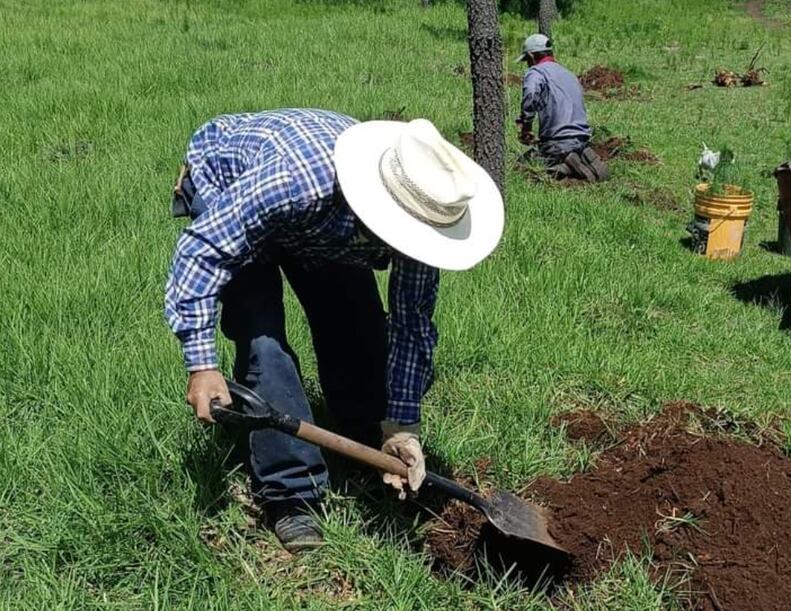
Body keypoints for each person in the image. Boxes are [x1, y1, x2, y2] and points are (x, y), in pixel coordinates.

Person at [165, 109, 504, 552]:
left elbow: (412, 322)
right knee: (263, 344)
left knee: (358, 327)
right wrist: (201, 362)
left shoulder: (425, 208)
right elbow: (204, 251)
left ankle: (365, 435)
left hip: (325, 226)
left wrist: (401, 425)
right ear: (385, 210)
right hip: (231, 186)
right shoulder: (298, 181)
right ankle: (291, 493)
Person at [515, 34, 608, 182]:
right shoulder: (569, 74)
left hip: (557, 141)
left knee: (522, 166)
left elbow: (531, 94)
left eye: (527, 60)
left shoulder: (535, 72)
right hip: (582, 139)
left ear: (531, 56)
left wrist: (526, 127)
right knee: (566, 149)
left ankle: (562, 168)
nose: (527, 64)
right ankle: (581, 158)